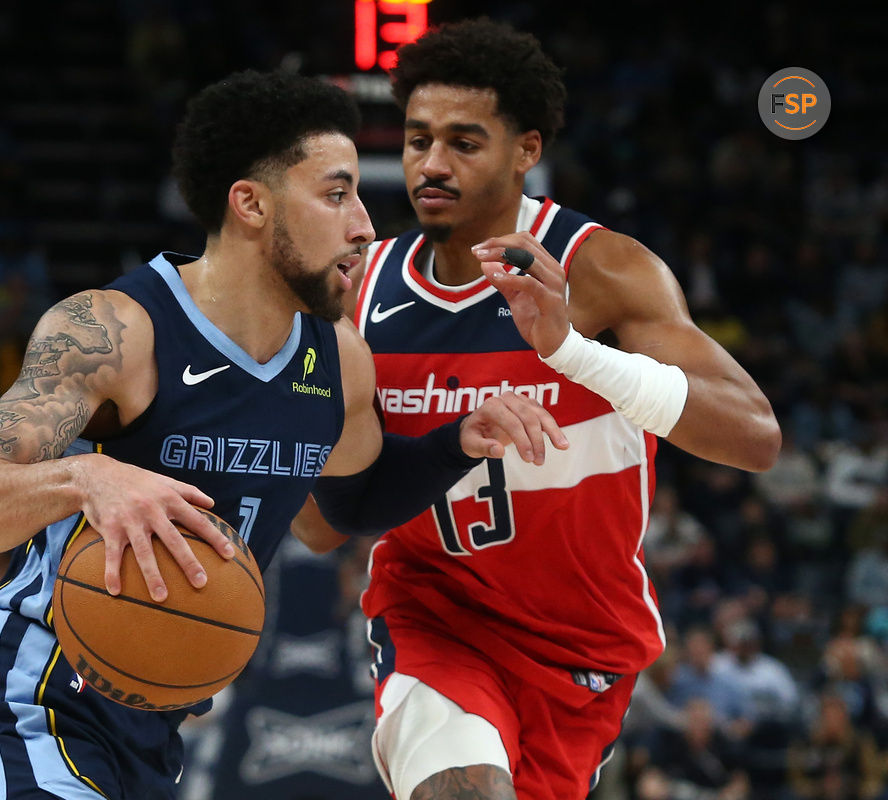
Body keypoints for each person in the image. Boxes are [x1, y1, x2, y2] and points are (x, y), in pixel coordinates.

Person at [0, 69, 566, 800]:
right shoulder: (114, 330)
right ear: (250, 204)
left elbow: (350, 508)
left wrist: (457, 443)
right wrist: (88, 476)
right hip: (29, 702)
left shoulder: (340, 360)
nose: (364, 225)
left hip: (153, 732)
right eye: (335, 193)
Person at [293, 17, 781, 800]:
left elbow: (755, 437)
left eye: (463, 141)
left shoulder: (603, 270)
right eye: (418, 139)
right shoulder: (361, 293)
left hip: (581, 644)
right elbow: (321, 526)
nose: (432, 164)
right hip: (434, 610)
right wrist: (316, 425)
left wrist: (571, 354)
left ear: (526, 149)